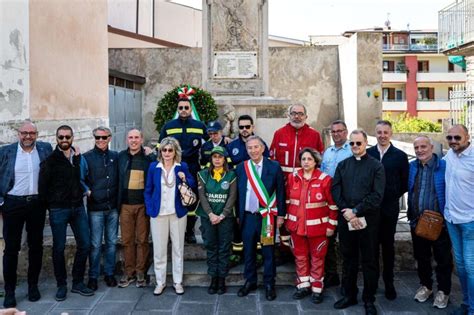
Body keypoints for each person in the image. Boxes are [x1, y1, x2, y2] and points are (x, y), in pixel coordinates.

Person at [331, 129, 385, 315]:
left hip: (368, 220)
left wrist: (355, 211)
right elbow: (335, 189)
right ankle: (349, 294)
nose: (355, 146)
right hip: (346, 218)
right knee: (348, 259)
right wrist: (346, 211)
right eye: (352, 143)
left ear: (366, 143)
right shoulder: (343, 165)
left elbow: (376, 195)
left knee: (369, 260)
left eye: (358, 143)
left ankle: (369, 299)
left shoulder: (376, 166)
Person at [0, 121, 52, 308]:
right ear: (18, 134)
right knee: (11, 249)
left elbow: (56, 166)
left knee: (36, 246)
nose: (28, 136)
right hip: (13, 204)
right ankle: (10, 292)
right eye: (24, 133)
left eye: (32, 133)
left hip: (37, 204)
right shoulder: (6, 152)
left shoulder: (45, 149)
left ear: (37, 134)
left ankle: (33, 287)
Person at [38, 125, 93, 301]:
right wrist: (52, 206)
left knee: (85, 244)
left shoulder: (77, 157)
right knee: (59, 248)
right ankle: (61, 285)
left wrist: (76, 160)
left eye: (67, 137)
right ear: (56, 138)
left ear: (72, 138)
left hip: (77, 208)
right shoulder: (50, 161)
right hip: (58, 210)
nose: (64, 140)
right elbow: (43, 188)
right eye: (61, 137)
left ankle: (77, 282)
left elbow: (79, 179)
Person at [270, 104, 324, 266]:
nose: (297, 117)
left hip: (305, 186)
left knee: (301, 217)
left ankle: (300, 250)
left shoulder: (314, 135)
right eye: (294, 113)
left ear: (306, 116)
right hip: (284, 185)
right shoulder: (279, 134)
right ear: (289, 115)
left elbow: (319, 161)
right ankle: (285, 249)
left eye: (300, 114)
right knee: (284, 216)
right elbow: (273, 160)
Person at [235, 136, 286, 301]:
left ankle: (269, 283)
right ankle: (250, 281)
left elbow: (280, 191)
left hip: (267, 218)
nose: (253, 151)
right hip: (248, 217)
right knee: (248, 251)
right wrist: (238, 215)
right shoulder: (242, 168)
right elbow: (238, 193)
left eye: (256, 147)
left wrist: (280, 215)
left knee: (268, 252)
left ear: (263, 148)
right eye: (250, 148)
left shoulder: (274, 166)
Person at [285, 148, 338, 304]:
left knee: (317, 258)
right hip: (296, 227)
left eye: (309, 159)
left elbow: (333, 205)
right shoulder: (292, 177)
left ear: (316, 161)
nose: (306, 162)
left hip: (319, 229)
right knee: (300, 257)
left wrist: (331, 226)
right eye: (303, 159)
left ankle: (316, 288)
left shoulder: (325, 179)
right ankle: (303, 286)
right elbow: (288, 201)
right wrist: (288, 222)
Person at [144, 137, 195, 296]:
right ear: (160, 152)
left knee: (178, 249)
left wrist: (184, 178)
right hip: (158, 214)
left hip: (177, 213)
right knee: (159, 250)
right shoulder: (154, 167)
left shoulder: (182, 166)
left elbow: (192, 184)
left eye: (170, 150)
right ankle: (160, 282)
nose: (166, 153)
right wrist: (150, 206)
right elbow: (148, 189)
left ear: (175, 152)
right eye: (164, 150)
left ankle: (177, 282)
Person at [407, 135, 452, 309]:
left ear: (431, 147)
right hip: (417, 222)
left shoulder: (444, 167)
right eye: (416, 148)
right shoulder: (412, 167)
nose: (420, 150)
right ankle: (426, 286)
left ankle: (443, 291)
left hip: (439, 224)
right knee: (422, 258)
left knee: (443, 260)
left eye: (423, 147)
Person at [367, 120, 409, 300]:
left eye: (385, 132)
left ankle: (389, 282)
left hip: (390, 209)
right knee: (372, 247)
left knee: (388, 247)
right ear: (375, 134)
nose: (382, 135)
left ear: (390, 133)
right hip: (370, 210)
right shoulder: (368, 153)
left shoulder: (399, 155)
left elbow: (405, 182)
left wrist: (391, 195)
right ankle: (373, 281)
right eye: (379, 132)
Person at [159, 98, 208, 244]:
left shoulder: (200, 126)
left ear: (191, 109)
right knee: (173, 198)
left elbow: (209, 143)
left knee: (192, 198)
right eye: (181, 108)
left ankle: (190, 231)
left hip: (193, 167)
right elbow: (160, 146)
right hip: (173, 167)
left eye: (186, 107)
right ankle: (172, 232)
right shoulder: (169, 126)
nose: (184, 110)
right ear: (177, 109)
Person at [226, 115, 269, 267]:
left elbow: (267, 167)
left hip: (257, 191)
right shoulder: (231, 146)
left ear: (252, 127)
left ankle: (257, 252)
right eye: (241, 127)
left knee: (256, 222)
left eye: (247, 127)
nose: (244, 130)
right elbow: (228, 169)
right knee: (237, 220)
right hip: (238, 191)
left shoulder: (260, 144)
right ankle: (237, 253)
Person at [81, 127, 119, 290]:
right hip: (95, 208)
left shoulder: (116, 157)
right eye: (97, 137)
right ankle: (93, 276)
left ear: (110, 138)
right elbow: (80, 178)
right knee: (95, 244)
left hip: (113, 208)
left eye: (104, 137)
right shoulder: (86, 157)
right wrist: (88, 191)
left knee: (111, 242)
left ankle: (109, 274)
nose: (101, 140)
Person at [117, 129, 155, 288]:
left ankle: (141, 271)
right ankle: (129, 272)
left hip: (142, 205)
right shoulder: (120, 157)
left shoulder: (148, 158)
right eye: (131, 137)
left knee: (142, 240)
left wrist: (152, 153)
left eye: (136, 137)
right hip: (125, 205)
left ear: (141, 139)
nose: (133, 140)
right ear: (127, 140)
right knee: (127, 240)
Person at [197, 146, 237, 295]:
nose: (217, 159)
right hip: (208, 218)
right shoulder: (202, 174)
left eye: (220, 157)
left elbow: (232, 196)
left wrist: (223, 214)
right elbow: (202, 196)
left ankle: (222, 279)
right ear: (211, 159)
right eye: (215, 157)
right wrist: (211, 214)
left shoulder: (231, 175)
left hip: (225, 218)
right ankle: (213, 278)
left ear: (224, 159)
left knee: (224, 248)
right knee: (211, 247)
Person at [444, 124, 474, 315]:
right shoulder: (449, 157)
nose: (453, 141)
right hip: (451, 219)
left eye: (457, 138)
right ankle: (466, 302)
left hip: (470, 221)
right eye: (450, 138)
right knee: (461, 266)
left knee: (471, 267)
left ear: (467, 137)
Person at [320, 120, 352, 289]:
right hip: (328, 203)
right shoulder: (327, 153)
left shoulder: (351, 151)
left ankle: (347, 279)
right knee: (328, 240)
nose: (337, 134)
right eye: (334, 131)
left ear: (346, 132)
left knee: (347, 243)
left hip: (346, 202)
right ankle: (331, 276)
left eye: (340, 131)